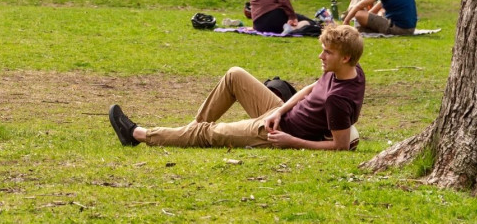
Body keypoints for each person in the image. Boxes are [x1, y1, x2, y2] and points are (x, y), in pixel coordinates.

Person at [109, 25, 365, 150]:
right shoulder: (350, 71)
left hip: (273, 133)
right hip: (279, 115)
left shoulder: (338, 99)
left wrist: (290, 141)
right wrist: (279, 110)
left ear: (344, 58)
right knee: (235, 75)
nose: (320, 57)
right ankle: (189, 132)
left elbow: (339, 147)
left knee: (210, 133)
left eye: (327, 53)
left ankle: (137, 135)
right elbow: (310, 88)